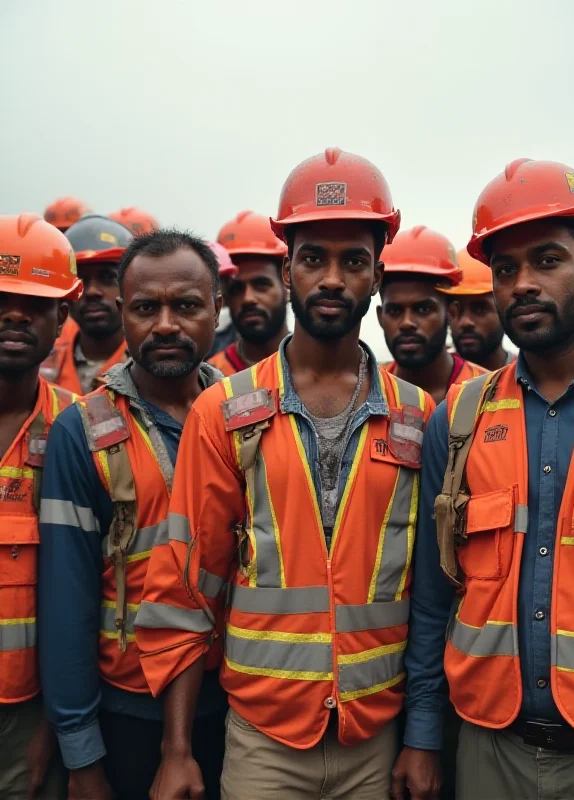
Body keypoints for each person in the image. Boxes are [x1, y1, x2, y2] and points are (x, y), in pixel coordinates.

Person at [135, 146, 435, 800]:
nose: (332, 278)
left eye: (353, 260)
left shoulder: (419, 417)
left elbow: (430, 595)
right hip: (264, 739)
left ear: (379, 273)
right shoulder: (225, 412)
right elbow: (189, 582)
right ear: (288, 266)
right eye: (313, 259)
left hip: (375, 737)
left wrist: (421, 738)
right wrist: (177, 749)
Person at [393, 158, 574, 800]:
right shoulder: (460, 419)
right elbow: (431, 599)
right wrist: (423, 737)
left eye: (548, 261)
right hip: (487, 750)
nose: (523, 283)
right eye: (505, 269)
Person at [38, 229, 227, 800]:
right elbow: (66, 601)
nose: (166, 324)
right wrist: (82, 755)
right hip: (125, 713)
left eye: (187, 305)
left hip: (238, 709)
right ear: (123, 315)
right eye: (147, 307)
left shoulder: (248, 417)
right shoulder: (84, 431)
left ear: (217, 311)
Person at [0, 213, 81, 799]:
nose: (13, 314)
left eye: (34, 301)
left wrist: (57, 726)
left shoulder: (80, 429)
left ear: (63, 318)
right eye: (2, 298)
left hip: (30, 717)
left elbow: (86, 591)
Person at [377, 226, 487, 404]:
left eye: (423, 310)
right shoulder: (365, 393)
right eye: (395, 311)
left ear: (451, 313)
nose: (407, 323)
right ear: (380, 317)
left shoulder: (488, 394)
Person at [39, 215, 133, 393]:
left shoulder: (153, 368)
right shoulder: (40, 366)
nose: (91, 291)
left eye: (107, 278)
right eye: (80, 279)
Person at [208, 210, 288, 374]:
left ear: (288, 287)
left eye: (261, 284)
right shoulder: (208, 378)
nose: (248, 298)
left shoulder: (322, 367)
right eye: (236, 289)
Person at [441, 247, 515, 370]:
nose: (465, 322)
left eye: (480, 310)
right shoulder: (427, 382)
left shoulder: (534, 377)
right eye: (455, 311)